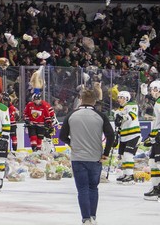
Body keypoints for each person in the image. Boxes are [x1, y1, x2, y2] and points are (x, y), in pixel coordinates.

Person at [59, 89, 115, 225]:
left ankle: (85, 219)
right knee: (93, 188)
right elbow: (111, 136)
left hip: (78, 158)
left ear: (80, 99)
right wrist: (106, 153)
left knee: (82, 189)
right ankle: (93, 217)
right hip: (95, 158)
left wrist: (73, 143)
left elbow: (62, 136)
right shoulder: (100, 115)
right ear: (95, 100)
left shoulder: (72, 115)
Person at [114, 91, 141, 184]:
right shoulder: (118, 110)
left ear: (126, 98)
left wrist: (122, 118)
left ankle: (130, 176)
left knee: (128, 155)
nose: (119, 99)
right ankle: (126, 174)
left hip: (133, 135)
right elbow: (119, 125)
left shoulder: (132, 105)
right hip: (123, 136)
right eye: (118, 97)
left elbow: (132, 116)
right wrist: (116, 136)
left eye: (121, 97)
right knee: (122, 156)